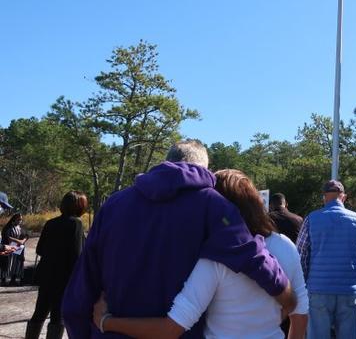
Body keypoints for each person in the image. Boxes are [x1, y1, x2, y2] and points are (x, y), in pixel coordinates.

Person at [62, 139, 296, 339]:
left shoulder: (114, 205)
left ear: (166, 161)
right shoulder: (213, 205)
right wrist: (287, 297)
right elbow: (252, 256)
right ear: (204, 168)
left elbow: (83, 284)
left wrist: (86, 329)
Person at [297, 180, 356, 339]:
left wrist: (304, 285)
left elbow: (301, 255)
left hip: (318, 289)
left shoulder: (312, 219)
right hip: (350, 290)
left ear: (324, 197)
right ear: (343, 197)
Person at [25, 191, 89, 339]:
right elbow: (77, 256)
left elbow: (39, 249)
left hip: (46, 276)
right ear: (79, 206)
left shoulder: (50, 223)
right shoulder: (76, 224)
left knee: (39, 313)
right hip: (64, 279)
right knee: (57, 318)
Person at [1, 212, 28, 286]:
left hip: (19, 249)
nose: (20, 221)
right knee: (7, 263)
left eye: (21, 220)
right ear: (14, 219)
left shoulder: (21, 228)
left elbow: (26, 235)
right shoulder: (8, 228)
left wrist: (23, 240)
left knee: (16, 264)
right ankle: (4, 280)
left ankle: (13, 279)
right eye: (18, 219)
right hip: (9, 248)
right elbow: (8, 237)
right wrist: (19, 241)